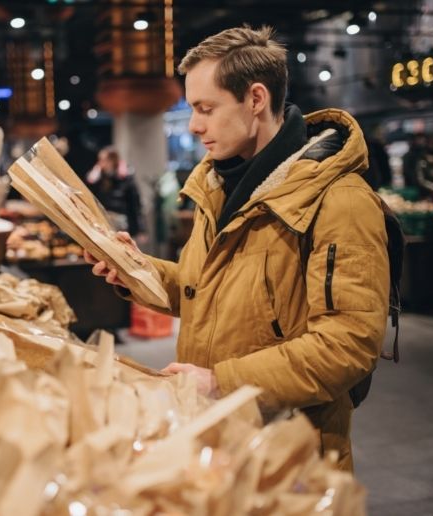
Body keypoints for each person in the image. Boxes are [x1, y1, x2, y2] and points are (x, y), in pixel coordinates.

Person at [84, 26, 389, 472]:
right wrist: (135, 270)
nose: (193, 125)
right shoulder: (219, 187)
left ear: (256, 99)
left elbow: (349, 343)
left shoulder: (340, 199)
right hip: (217, 439)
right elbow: (202, 289)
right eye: (191, 109)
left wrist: (221, 382)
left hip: (289, 454)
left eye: (206, 108)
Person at [86, 146, 145, 242]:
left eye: (103, 160)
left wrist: (141, 229)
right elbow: (89, 193)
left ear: (112, 161)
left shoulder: (125, 176)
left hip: (121, 221)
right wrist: (94, 176)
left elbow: (135, 204)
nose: (100, 163)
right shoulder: (100, 176)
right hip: (103, 219)